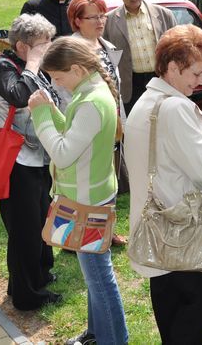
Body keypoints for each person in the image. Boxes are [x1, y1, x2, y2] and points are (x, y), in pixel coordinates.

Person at [124, 25, 202, 344]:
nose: (201, 80)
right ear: (171, 67)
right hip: (192, 244)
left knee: (172, 330)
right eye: (196, 73)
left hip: (160, 241)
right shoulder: (176, 109)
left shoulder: (145, 103)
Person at [28, 37, 127, 345]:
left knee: (100, 279)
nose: (58, 84)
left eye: (58, 78)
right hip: (92, 196)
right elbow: (75, 135)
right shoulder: (91, 91)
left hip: (87, 201)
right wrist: (52, 111)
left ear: (76, 69)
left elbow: (63, 153)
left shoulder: (89, 101)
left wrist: (41, 114)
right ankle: (97, 334)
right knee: (95, 276)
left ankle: (113, 340)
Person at [0, 14, 60, 311]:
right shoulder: (4, 66)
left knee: (40, 220)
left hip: (35, 158)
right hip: (16, 162)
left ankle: (34, 278)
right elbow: (18, 96)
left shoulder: (26, 65)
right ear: (22, 46)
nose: (48, 49)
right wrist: (33, 63)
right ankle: (27, 296)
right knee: (24, 230)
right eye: (43, 45)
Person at [68, 0, 128, 243]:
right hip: (85, 123)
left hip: (110, 121)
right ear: (77, 20)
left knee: (107, 178)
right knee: (84, 182)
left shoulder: (105, 44)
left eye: (102, 15)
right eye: (93, 17)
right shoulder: (70, 49)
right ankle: (75, 233)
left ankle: (106, 230)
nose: (100, 21)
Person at [102, 0, 177, 115]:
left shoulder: (164, 14)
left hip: (160, 78)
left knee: (163, 119)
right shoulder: (109, 20)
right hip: (130, 84)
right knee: (135, 124)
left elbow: (177, 48)